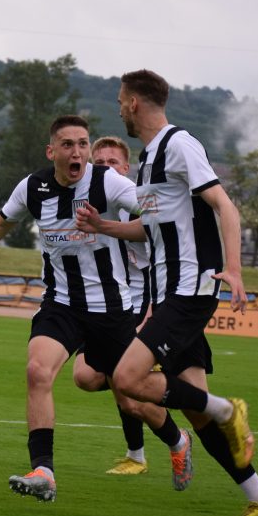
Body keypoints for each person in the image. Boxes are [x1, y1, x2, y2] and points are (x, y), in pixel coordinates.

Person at [0, 115, 183, 503]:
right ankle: (43, 471)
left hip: (111, 308)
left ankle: (178, 438)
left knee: (131, 396)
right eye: (68, 144)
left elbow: (157, 218)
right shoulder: (32, 187)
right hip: (61, 304)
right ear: (52, 152)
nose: (77, 152)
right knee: (37, 370)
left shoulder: (108, 182)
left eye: (83, 144)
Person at [76, 69, 258, 516]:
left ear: (133, 103)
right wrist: (104, 226)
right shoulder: (149, 159)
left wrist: (234, 269)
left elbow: (225, 206)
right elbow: (150, 230)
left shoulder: (179, 144)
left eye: (120, 101)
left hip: (189, 290)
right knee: (194, 410)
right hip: (168, 291)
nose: (119, 109)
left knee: (127, 378)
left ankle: (228, 409)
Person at [72, 135, 194, 490]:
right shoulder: (85, 204)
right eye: (100, 163)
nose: (106, 168)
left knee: (126, 387)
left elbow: (161, 257)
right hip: (102, 304)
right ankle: (154, 446)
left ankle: (165, 445)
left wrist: (154, 311)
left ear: (126, 169)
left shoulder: (138, 205)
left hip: (138, 303)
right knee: (86, 376)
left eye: (113, 163)